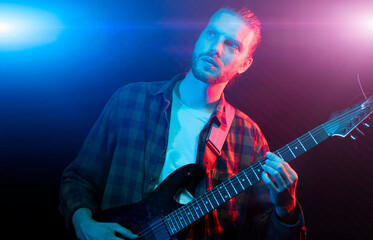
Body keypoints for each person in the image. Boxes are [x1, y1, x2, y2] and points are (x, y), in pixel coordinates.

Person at [59, 7, 306, 240]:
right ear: (199, 38)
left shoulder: (248, 137)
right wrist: (85, 225)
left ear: (244, 64)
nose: (216, 48)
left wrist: (287, 207)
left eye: (232, 45)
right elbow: (79, 179)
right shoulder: (130, 101)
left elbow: (264, 234)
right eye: (212, 34)